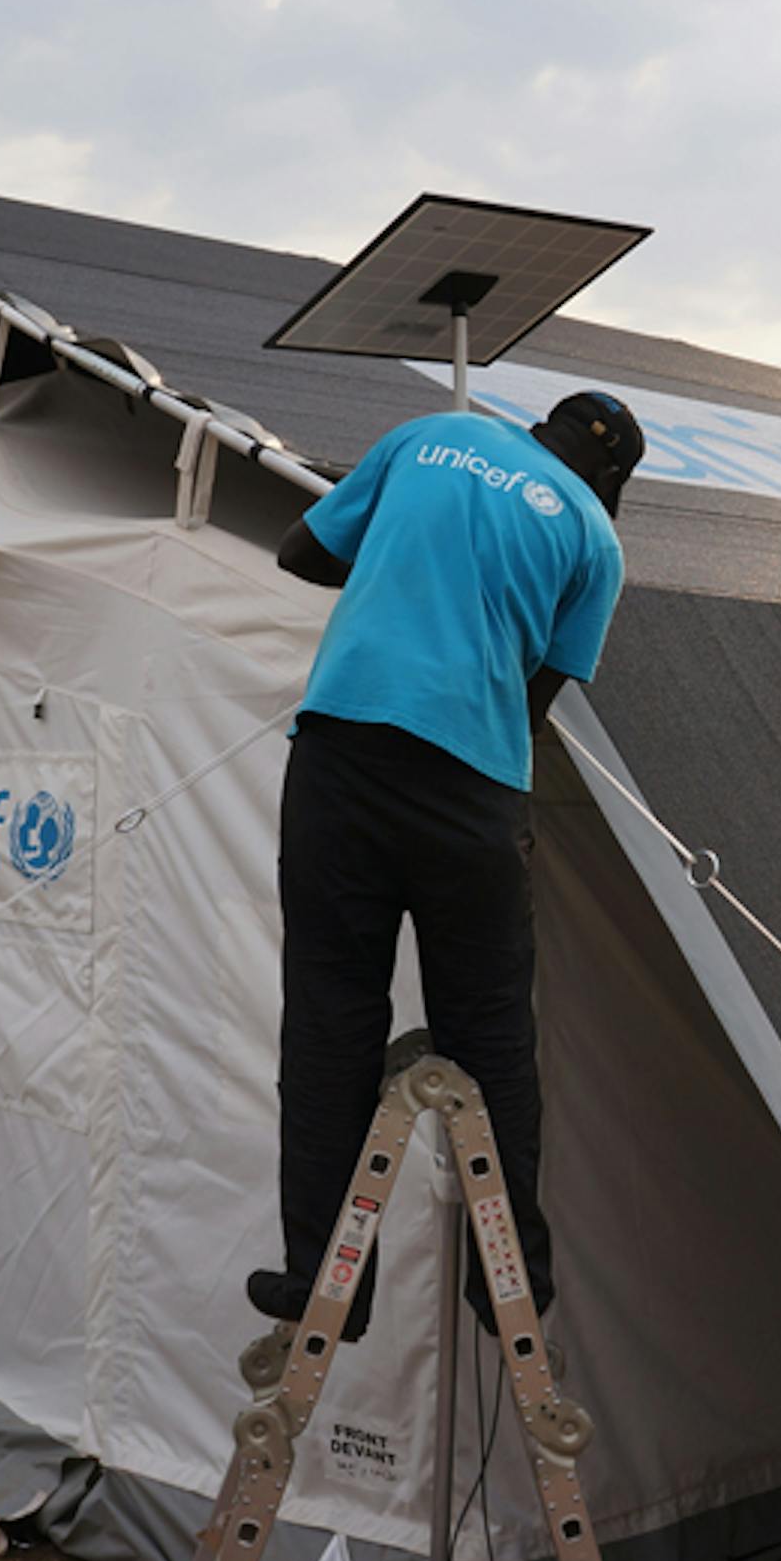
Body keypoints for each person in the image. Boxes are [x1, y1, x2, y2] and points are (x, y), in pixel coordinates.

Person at [250, 390, 642, 1341]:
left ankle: (325, 1287)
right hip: (469, 791)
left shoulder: (427, 435)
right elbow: (532, 696)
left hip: (342, 757)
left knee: (330, 1018)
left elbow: (300, 553)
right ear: (609, 478)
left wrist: (396, 558)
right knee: (491, 1035)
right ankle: (508, 1284)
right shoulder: (593, 533)